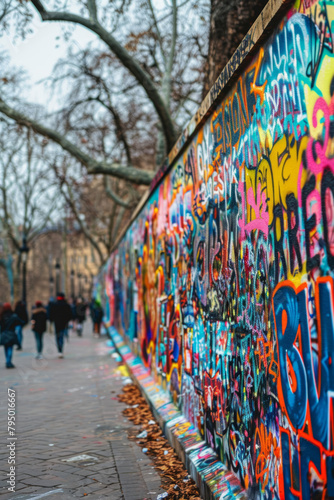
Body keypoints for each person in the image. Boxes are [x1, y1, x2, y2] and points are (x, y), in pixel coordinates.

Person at [0, 303, 24, 368]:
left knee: (6, 348)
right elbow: (20, 322)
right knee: (10, 348)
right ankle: (9, 362)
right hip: (11, 333)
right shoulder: (13, 315)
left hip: (4, 334)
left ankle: (7, 361)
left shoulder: (1, 316)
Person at [49, 293, 72, 358]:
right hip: (64, 323)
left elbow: (51, 314)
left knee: (57, 336)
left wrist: (51, 320)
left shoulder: (54, 305)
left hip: (57, 323)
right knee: (61, 336)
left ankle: (59, 350)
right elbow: (70, 314)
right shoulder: (66, 305)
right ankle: (60, 350)